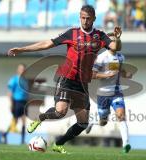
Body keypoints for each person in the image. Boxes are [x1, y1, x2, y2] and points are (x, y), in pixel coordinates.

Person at [7, 5, 122, 154]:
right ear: (79, 17)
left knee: (82, 123)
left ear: (94, 18)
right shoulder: (71, 33)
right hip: (66, 78)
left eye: (88, 18)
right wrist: (22, 49)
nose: (85, 21)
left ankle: (58, 144)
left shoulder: (99, 36)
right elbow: (47, 43)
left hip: (82, 83)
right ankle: (40, 118)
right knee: (60, 111)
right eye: (83, 18)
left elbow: (115, 47)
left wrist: (118, 39)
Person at [85, 34, 131, 153]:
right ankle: (92, 123)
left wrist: (126, 75)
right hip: (103, 94)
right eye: (113, 41)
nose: (115, 42)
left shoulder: (120, 57)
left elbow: (121, 70)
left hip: (117, 92)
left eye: (116, 40)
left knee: (121, 115)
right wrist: (106, 75)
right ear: (107, 44)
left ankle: (126, 144)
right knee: (103, 122)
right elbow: (92, 74)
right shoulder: (101, 58)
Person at [2, 64, 28, 144]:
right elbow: (9, 92)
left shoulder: (25, 81)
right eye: (20, 69)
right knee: (15, 121)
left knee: (24, 121)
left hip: (24, 102)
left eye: (23, 69)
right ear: (18, 70)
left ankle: (22, 140)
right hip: (16, 102)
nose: (22, 70)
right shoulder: (14, 80)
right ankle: (4, 135)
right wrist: (11, 103)